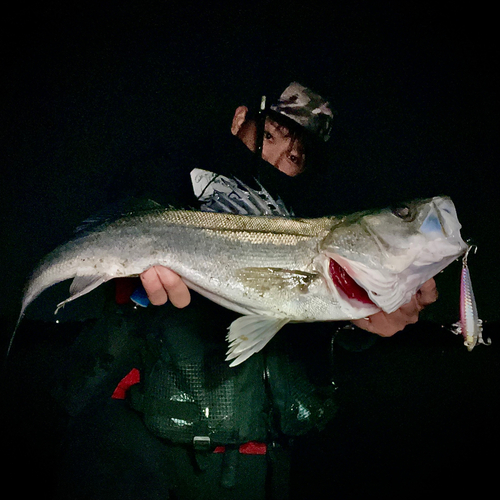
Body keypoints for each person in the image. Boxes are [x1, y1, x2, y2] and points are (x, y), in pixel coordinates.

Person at [53, 82, 437, 500]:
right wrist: (133, 280)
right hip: (140, 445)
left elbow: (305, 325)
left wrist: (360, 322)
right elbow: (123, 234)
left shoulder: (308, 224)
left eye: (295, 157)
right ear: (240, 120)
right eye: (270, 136)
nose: (275, 159)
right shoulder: (170, 176)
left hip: (254, 462)